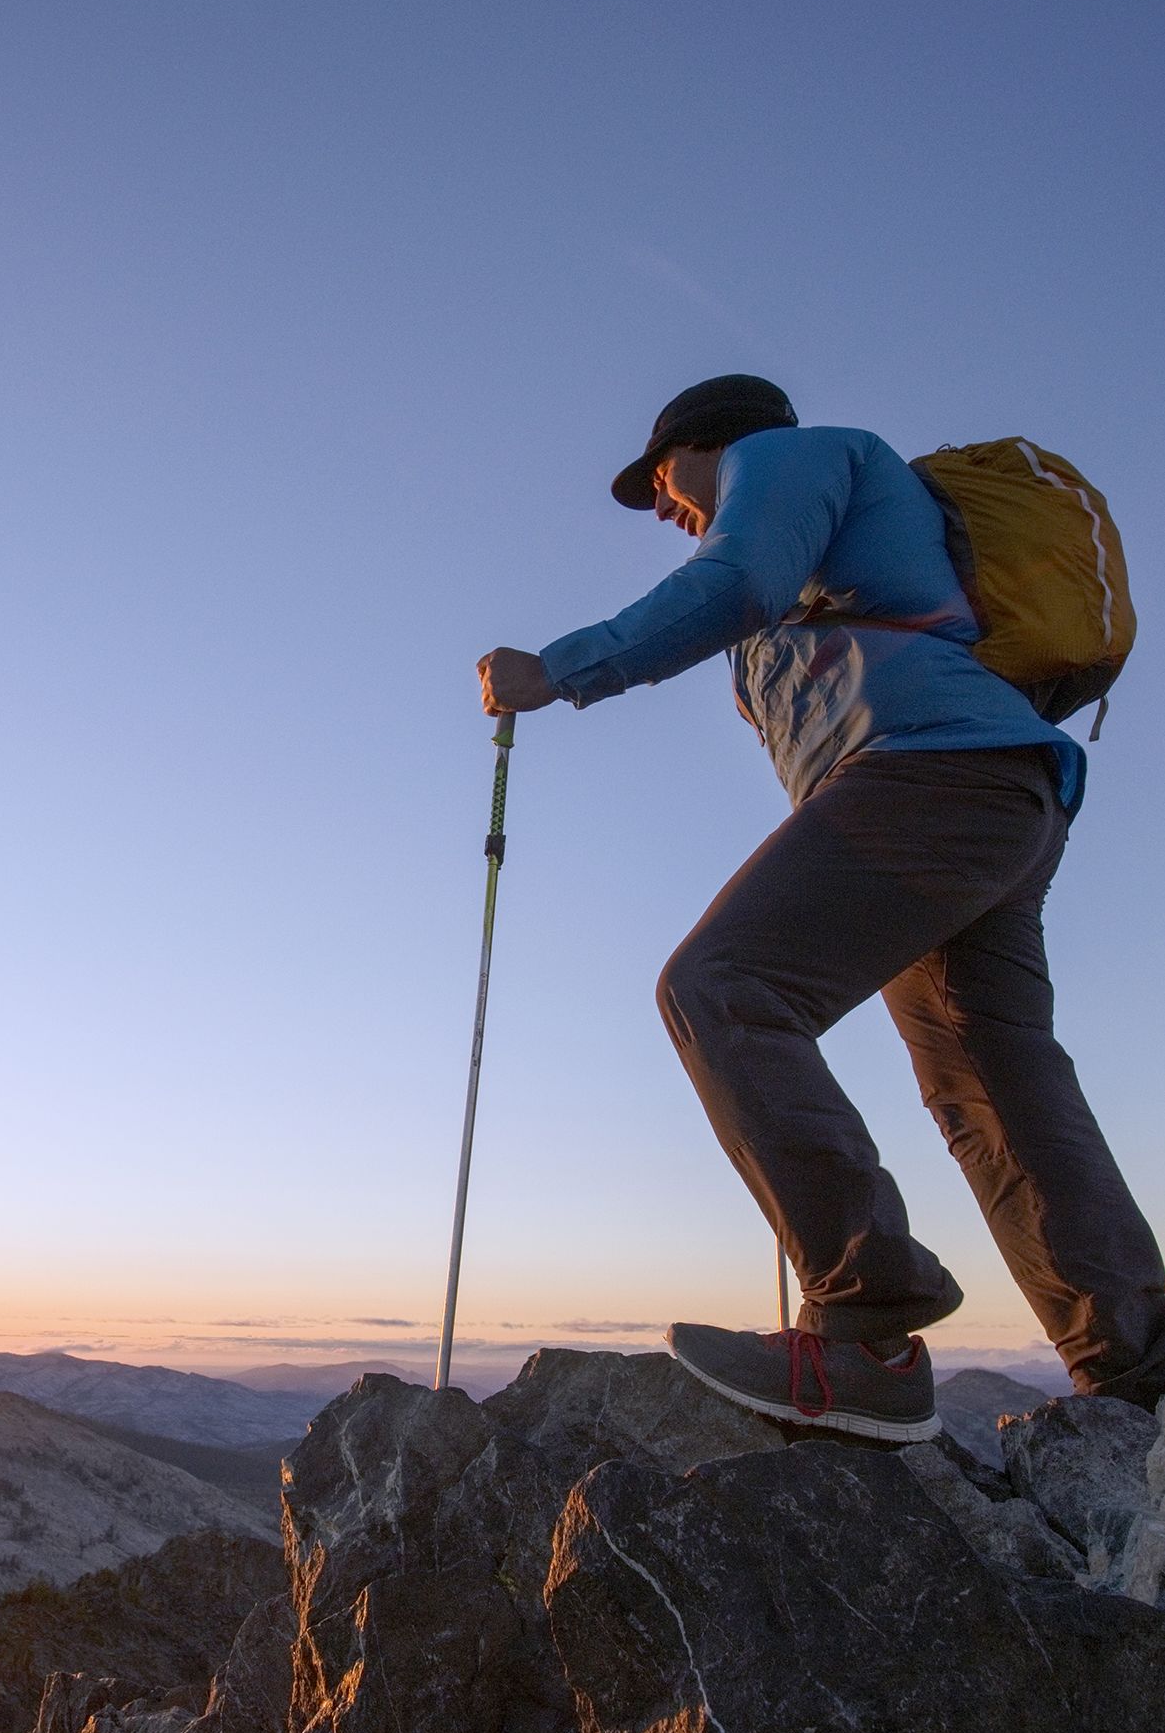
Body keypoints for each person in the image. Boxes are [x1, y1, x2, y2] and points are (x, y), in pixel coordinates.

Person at [478, 375, 1165, 1440]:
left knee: (723, 986)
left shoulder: (792, 458)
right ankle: (1138, 1365)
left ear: (712, 443)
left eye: (660, 476)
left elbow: (737, 579)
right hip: (993, 793)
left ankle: (867, 1327)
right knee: (992, 1082)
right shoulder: (833, 535)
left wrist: (558, 667)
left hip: (935, 784)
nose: (663, 505)